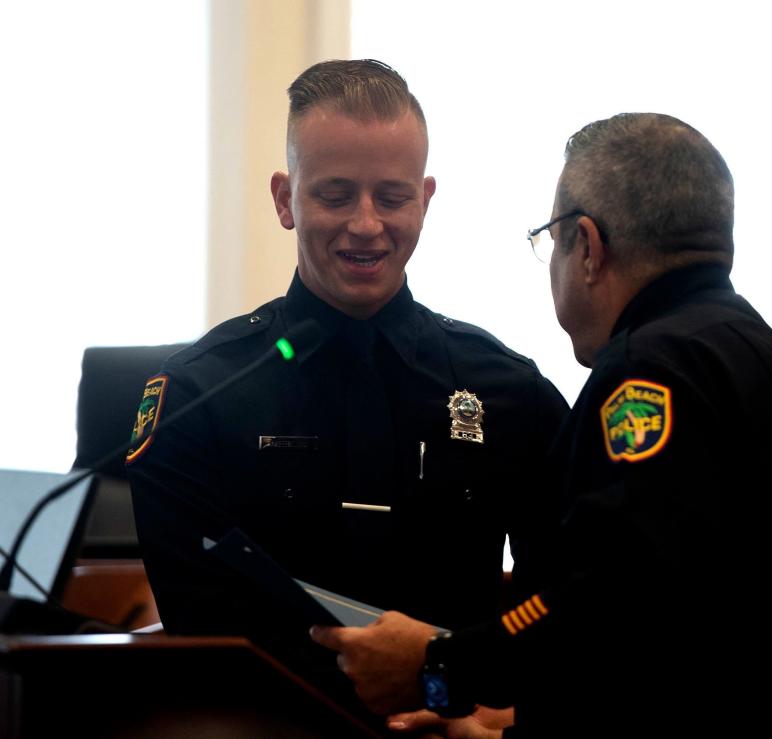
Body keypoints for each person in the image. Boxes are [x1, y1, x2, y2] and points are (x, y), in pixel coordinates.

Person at [312, 113, 772, 737]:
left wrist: (443, 662)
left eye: (552, 240)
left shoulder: (649, 373)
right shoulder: (753, 354)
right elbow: (693, 621)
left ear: (587, 247)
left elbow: (608, 592)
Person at [125, 59, 568, 681]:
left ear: (425, 200)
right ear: (286, 200)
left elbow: (569, 595)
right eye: (335, 195)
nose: (367, 225)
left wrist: (466, 690)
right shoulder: (200, 394)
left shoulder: (509, 393)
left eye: (392, 197)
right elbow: (199, 624)